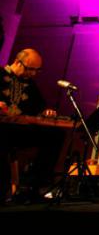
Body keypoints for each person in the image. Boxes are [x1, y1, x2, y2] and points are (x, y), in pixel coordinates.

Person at [0, 48, 61, 202]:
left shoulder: (30, 85)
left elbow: (39, 108)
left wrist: (46, 112)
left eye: (37, 70)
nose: (33, 74)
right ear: (17, 62)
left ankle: (35, 186)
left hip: (19, 130)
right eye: (30, 69)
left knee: (55, 135)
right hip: (1, 129)